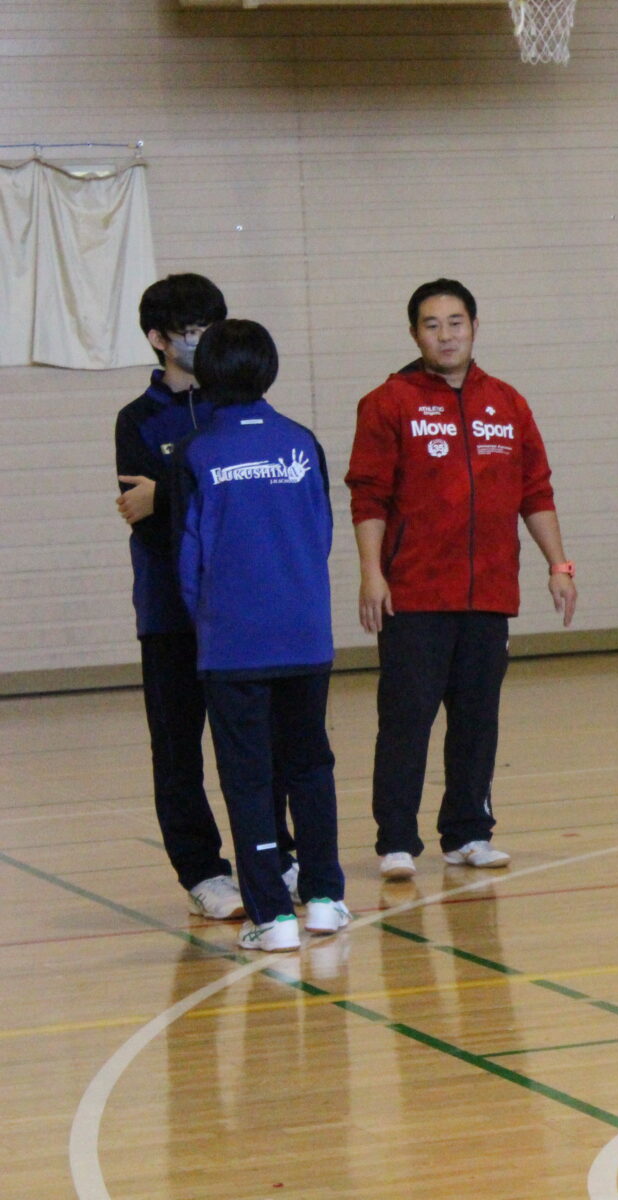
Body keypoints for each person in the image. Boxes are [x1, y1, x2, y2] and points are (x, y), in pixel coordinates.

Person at [345, 279, 576, 881]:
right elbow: (367, 496)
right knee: (407, 720)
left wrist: (559, 564)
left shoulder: (507, 402)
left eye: (455, 322)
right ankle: (396, 839)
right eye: (431, 324)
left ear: (475, 326)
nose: (445, 335)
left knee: (477, 719)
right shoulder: (388, 402)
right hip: (415, 595)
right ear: (414, 333)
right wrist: (372, 574)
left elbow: (536, 490)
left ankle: (468, 831)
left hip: (489, 594)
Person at [115, 274, 295, 919]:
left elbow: (201, 496)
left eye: (210, 328)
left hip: (239, 610)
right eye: (190, 332)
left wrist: (168, 491)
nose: (202, 341)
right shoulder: (137, 419)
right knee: (178, 745)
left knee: (257, 740)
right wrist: (180, 494)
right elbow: (145, 514)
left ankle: (276, 854)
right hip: (170, 610)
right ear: (159, 339)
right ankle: (202, 871)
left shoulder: (238, 408)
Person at [172, 320, 348, 952]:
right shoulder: (302, 443)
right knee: (310, 766)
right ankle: (325, 899)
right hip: (304, 636)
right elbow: (322, 534)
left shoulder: (197, 453)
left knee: (248, 780)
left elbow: (188, 561)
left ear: (208, 373)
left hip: (233, 645)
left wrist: (213, 623)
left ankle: (272, 918)